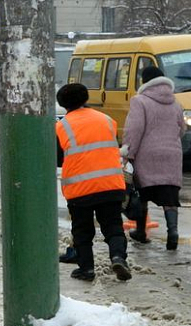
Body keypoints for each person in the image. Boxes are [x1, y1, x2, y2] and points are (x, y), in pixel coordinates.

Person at [56, 83, 131, 282]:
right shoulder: (107, 120)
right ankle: (118, 257)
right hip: (111, 184)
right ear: (86, 98)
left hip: (80, 188)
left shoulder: (62, 126)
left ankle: (86, 269)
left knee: (82, 230)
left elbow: (58, 158)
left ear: (63, 104)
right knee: (113, 226)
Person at [122, 66, 186, 250]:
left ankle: (141, 232)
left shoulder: (139, 101)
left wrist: (128, 152)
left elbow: (134, 130)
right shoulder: (176, 103)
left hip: (146, 154)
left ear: (145, 81)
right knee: (170, 195)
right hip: (172, 154)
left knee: (142, 192)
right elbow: (182, 129)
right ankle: (172, 232)